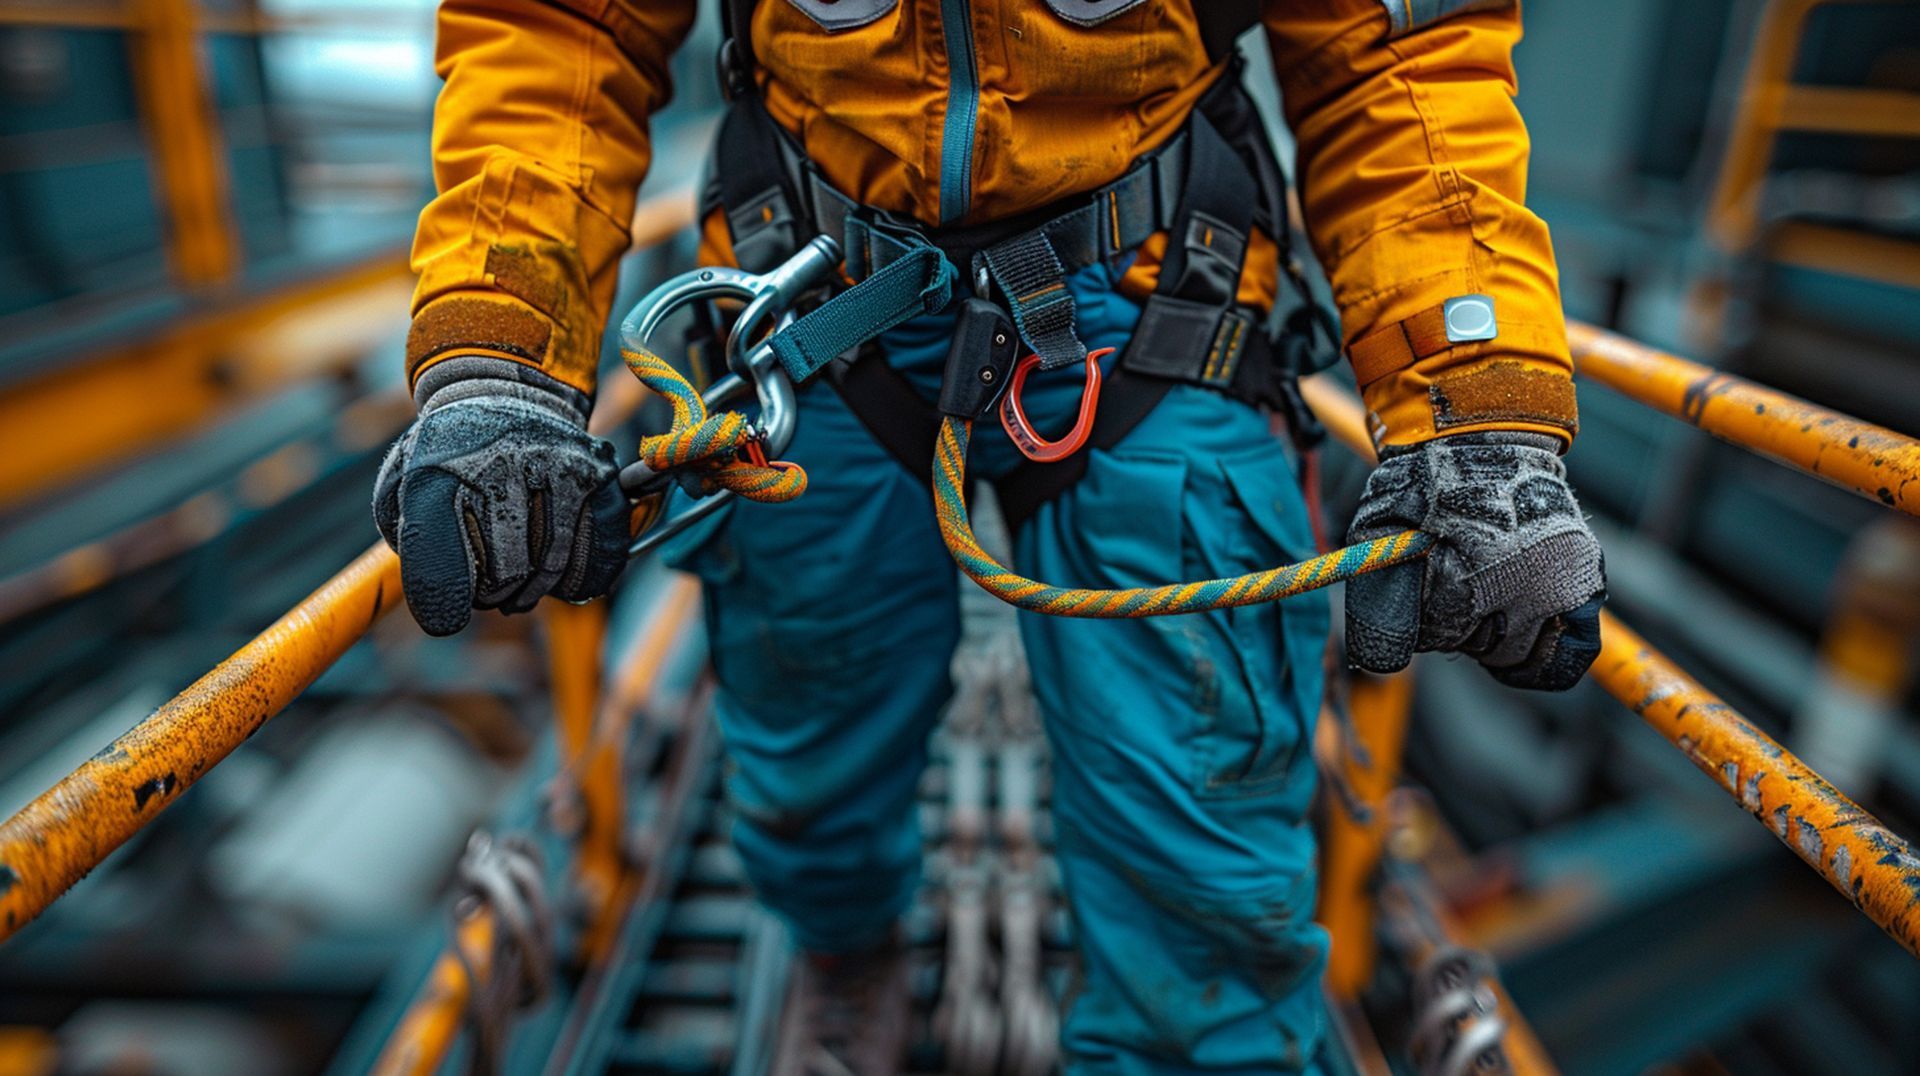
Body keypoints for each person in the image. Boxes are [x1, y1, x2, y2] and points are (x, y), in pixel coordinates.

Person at [374, 2, 1605, 1071]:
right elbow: (565, 26)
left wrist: (1477, 401)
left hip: (1158, 295)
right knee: (811, 723)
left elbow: (1392, 54)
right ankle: (844, 951)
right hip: (813, 292)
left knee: (1208, 815)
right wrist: (506, 358)